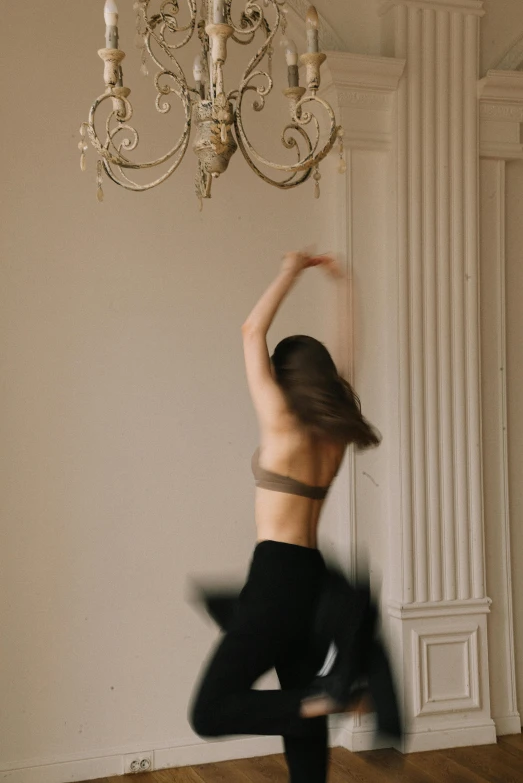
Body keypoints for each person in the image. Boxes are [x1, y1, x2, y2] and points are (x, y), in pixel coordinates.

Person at [189, 250, 384, 783]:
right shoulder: (335, 429)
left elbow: (253, 330)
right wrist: (344, 286)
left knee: (209, 712)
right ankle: (321, 699)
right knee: (301, 709)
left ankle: (329, 697)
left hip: (276, 578)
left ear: (282, 377)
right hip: (313, 580)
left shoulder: (282, 425)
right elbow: (349, 357)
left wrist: (291, 271)